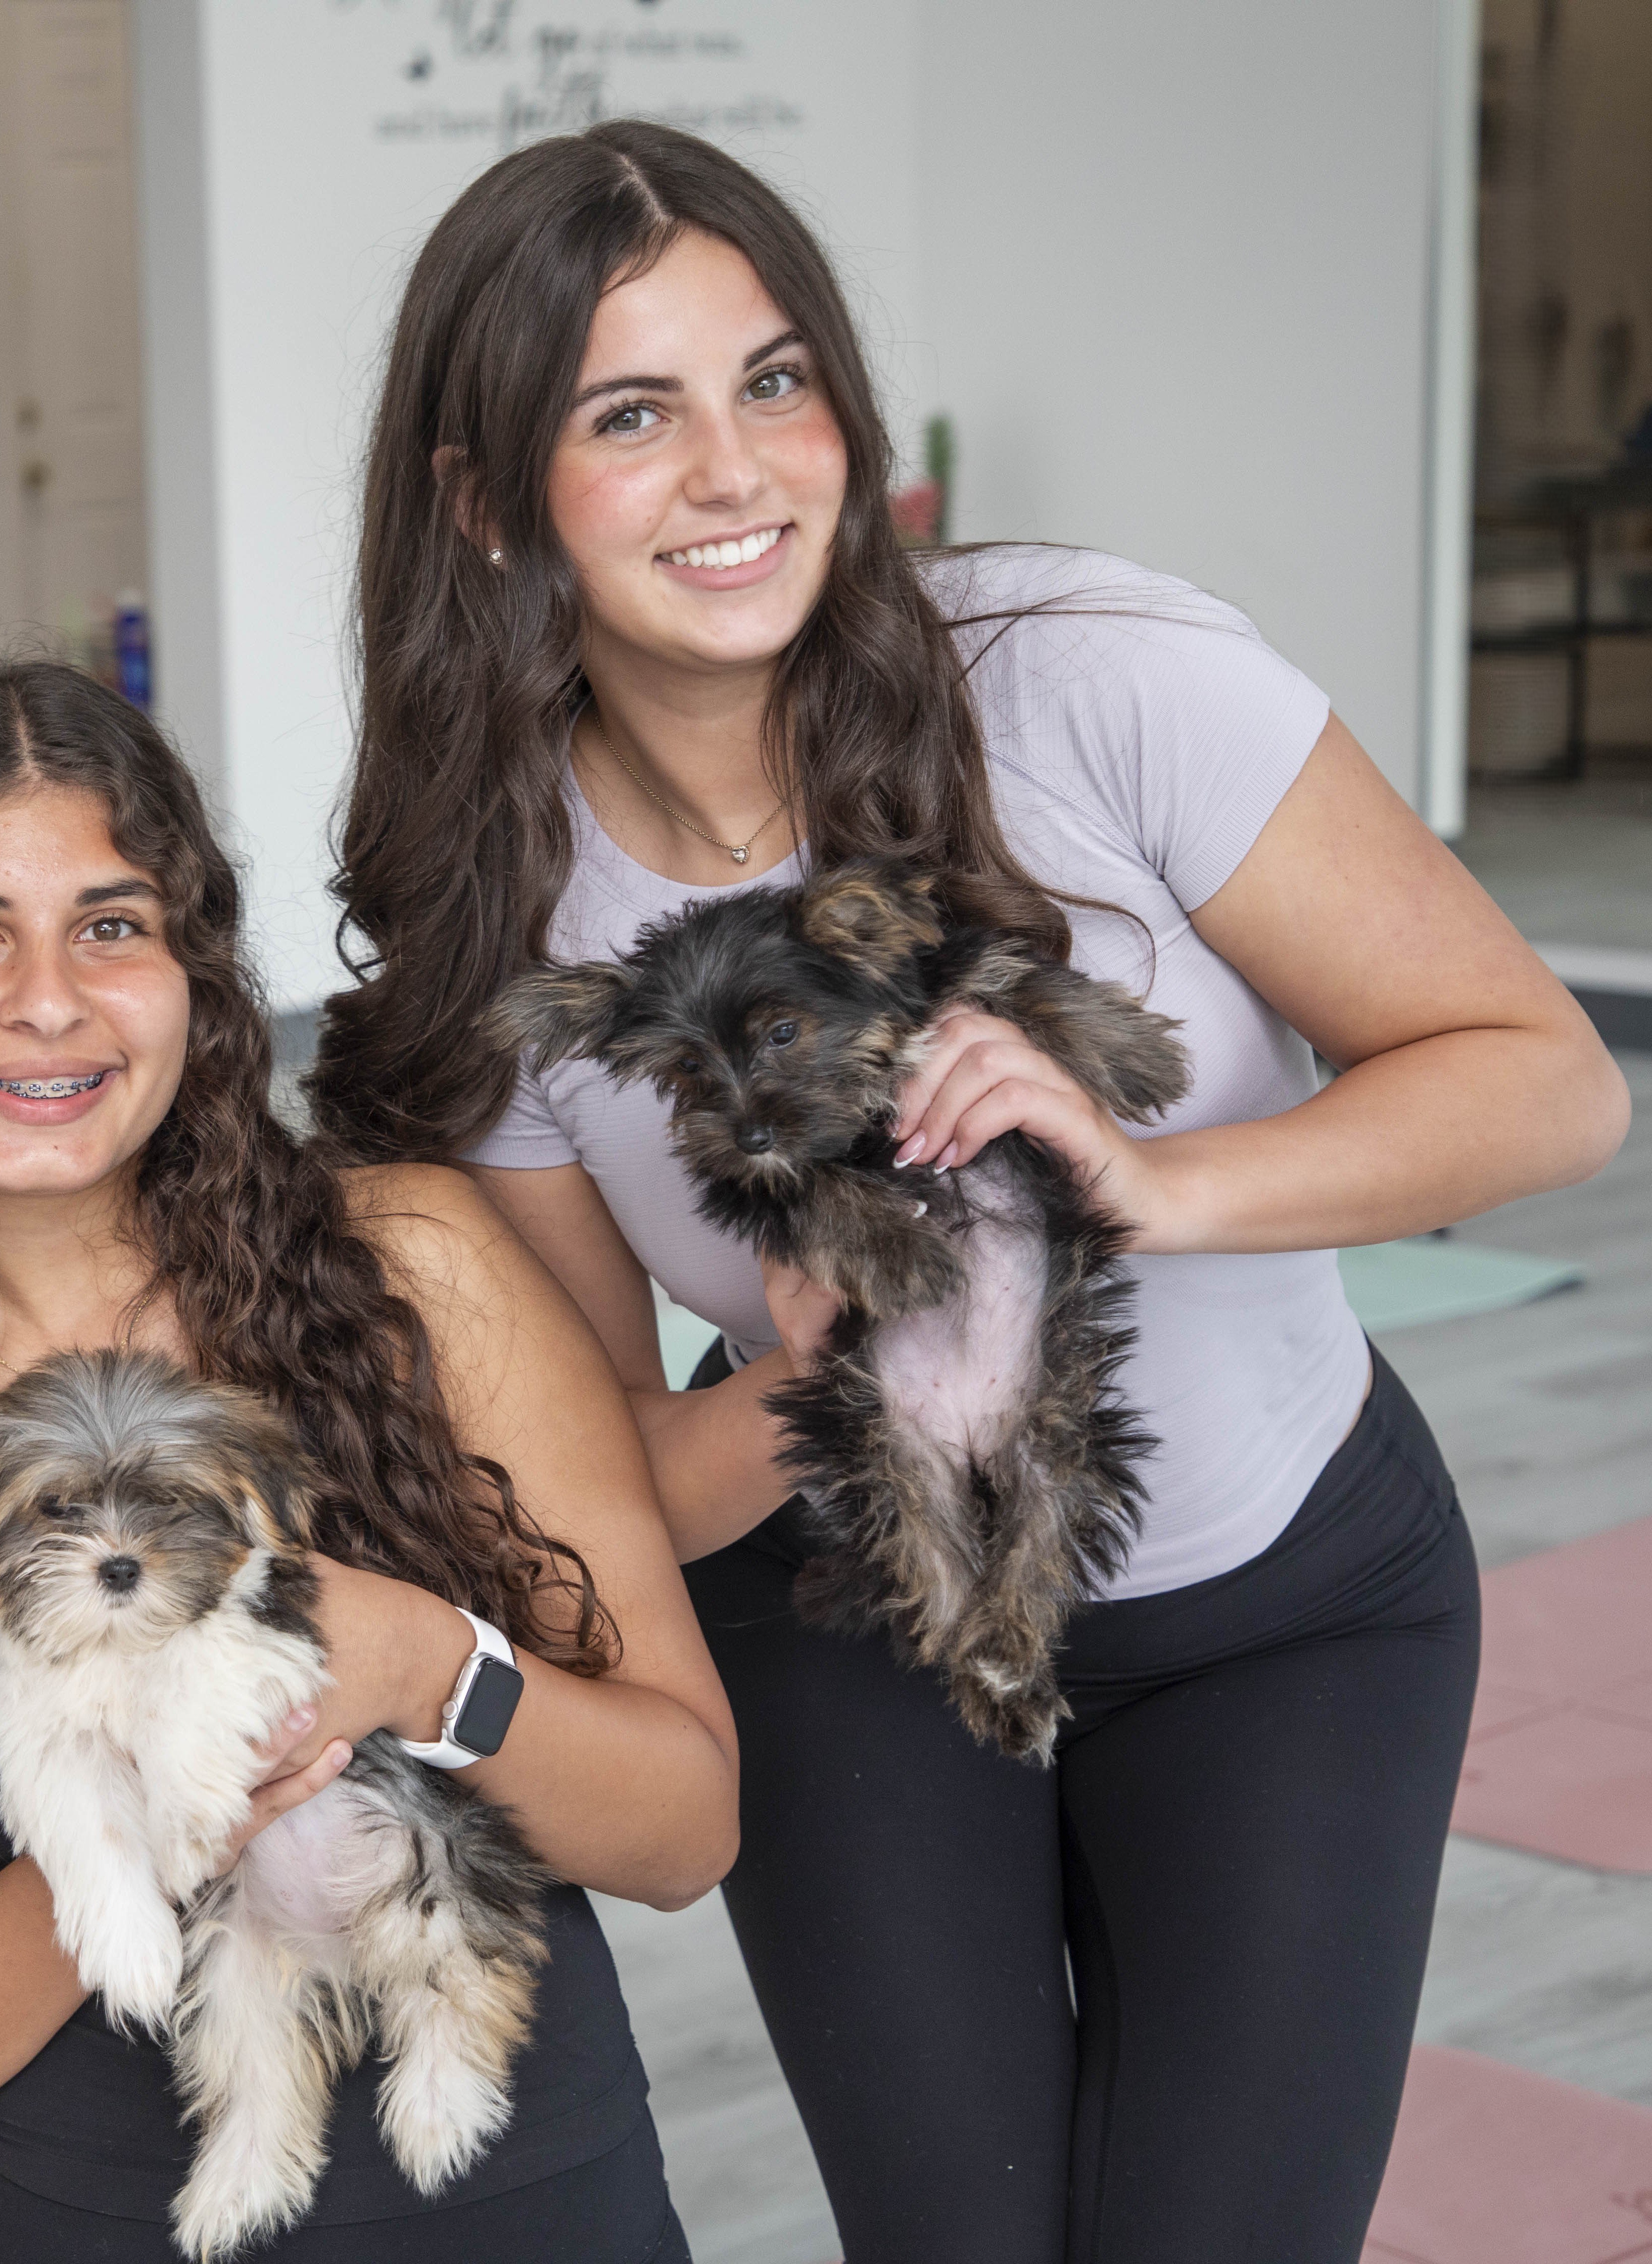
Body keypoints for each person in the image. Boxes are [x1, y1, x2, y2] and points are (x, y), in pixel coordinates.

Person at [303, 121, 1631, 2264]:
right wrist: (805, 1371)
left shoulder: (1092, 670)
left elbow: (1547, 1088)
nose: (734, 472)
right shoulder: (500, 919)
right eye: (625, 416)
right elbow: (597, 1486)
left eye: (773, 381)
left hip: (1281, 1611)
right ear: (481, 499)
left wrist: (1144, 1178)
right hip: (851, 1634)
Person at [0, 663, 739, 2261]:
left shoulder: (415, 1267)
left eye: (112, 926)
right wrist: (129, 1835)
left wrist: (421, 1665)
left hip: (527, 2205)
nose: (49, 1000)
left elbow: (684, 1829)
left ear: (196, 973)